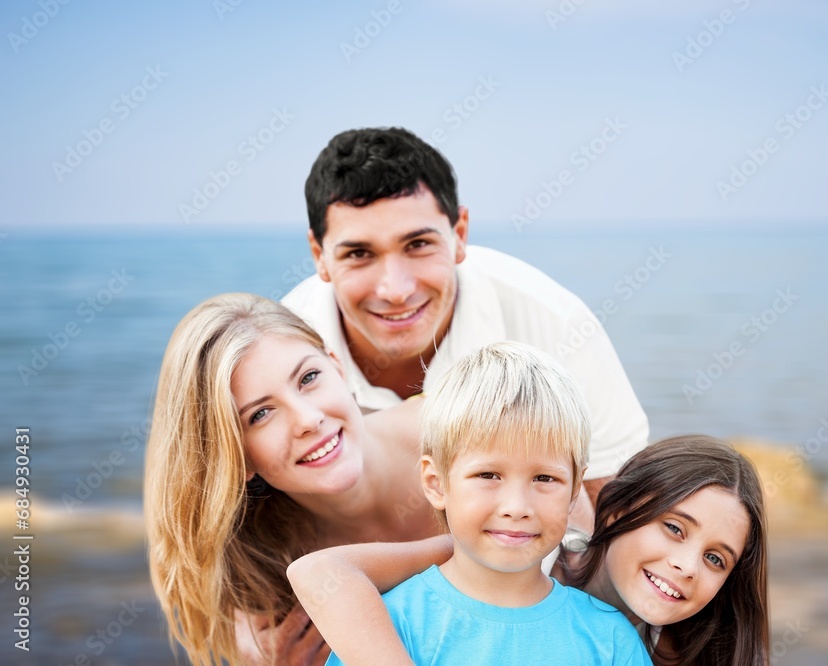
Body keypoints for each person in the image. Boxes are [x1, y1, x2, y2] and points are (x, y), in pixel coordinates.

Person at [282, 126, 649, 507]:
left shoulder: (557, 323)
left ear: (459, 234)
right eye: (359, 254)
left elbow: (618, 510)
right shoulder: (280, 352)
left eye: (418, 244)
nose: (396, 290)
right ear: (318, 254)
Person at [303, 341, 652, 665]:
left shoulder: (609, 638)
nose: (516, 507)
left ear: (575, 489)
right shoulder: (391, 625)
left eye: (544, 478)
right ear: (436, 483)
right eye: (488, 475)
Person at [143, 293, 444, 666]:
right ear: (236, 458)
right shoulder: (264, 583)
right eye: (261, 414)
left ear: (338, 367)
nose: (307, 419)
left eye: (309, 378)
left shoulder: (468, 429)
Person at [289, 434, 769, 666]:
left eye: (715, 559)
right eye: (674, 528)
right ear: (619, 509)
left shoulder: (660, 652)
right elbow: (324, 572)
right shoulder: (517, 549)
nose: (687, 566)